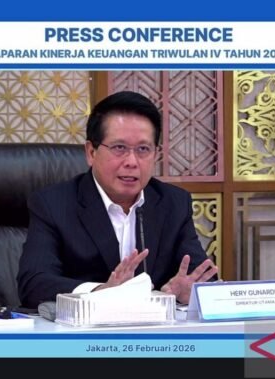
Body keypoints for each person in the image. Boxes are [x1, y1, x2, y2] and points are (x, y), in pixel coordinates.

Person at [17, 91, 217, 309]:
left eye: (143, 149)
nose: (132, 161)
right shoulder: (53, 204)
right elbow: (33, 284)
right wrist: (100, 292)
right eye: (119, 148)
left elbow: (202, 276)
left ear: (156, 155)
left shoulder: (173, 203)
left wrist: (190, 292)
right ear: (91, 152)